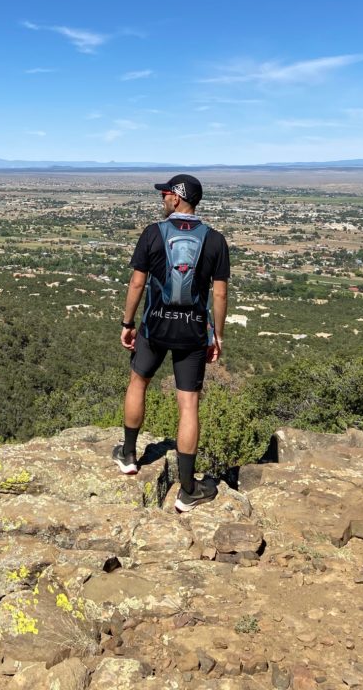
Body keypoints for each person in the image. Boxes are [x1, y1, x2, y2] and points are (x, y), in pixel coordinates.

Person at [113, 174, 229, 512]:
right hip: (192, 331)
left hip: (154, 326)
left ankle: (129, 455)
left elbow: (137, 284)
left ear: (177, 199)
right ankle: (188, 489)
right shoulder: (215, 241)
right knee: (188, 404)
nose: (162, 198)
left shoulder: (153, 233)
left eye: (166, 194)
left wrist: (127, 323)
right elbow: (219, 293)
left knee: (138, 381)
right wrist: (216, 335)